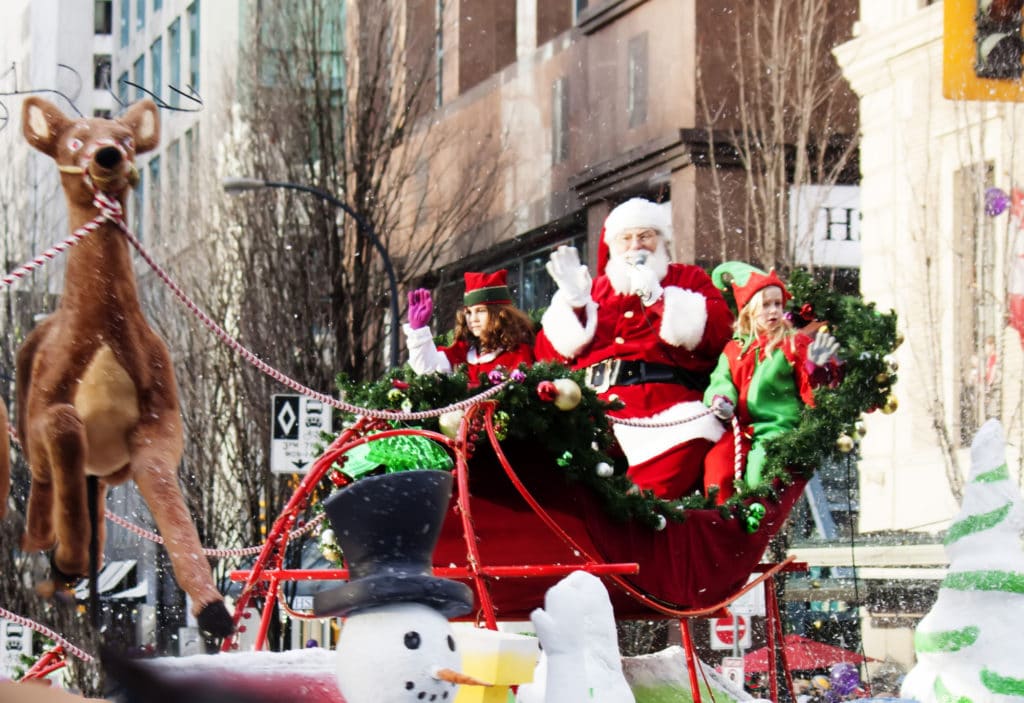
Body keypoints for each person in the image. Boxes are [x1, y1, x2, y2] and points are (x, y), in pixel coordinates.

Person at [535, 197, 734, 499]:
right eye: (625, 238)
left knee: (692, 437)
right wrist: (572, 304)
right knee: (545, 452)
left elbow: (719, 331)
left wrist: (660, 298)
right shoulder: (595, 288)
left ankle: (633, 508)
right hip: (590, 406)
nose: (635, 246)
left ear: (661, 240)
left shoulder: (687, 278)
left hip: (663, 408)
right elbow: (547, 357)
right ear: (613, 246)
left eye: (645, 236)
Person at [703, 266, 840, 503]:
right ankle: (721, 520)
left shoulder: (793, 343)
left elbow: (811, 393)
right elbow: (720, 380)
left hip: (778, 427)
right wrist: (721, 399)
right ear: (749, 311)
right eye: (766, 305)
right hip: (742, 430)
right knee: (717, 467)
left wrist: (816, 369)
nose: (774, 311)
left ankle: (760, 519)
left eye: (778, 304)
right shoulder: (734, 349)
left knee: (760, 471)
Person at [404, 269, 535, 385]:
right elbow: (427, 368)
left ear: (500, 314)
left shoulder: (518, 351)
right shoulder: (462, 352)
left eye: (481, 311)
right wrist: (418, 330)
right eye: (468, 312)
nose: (473, 319)